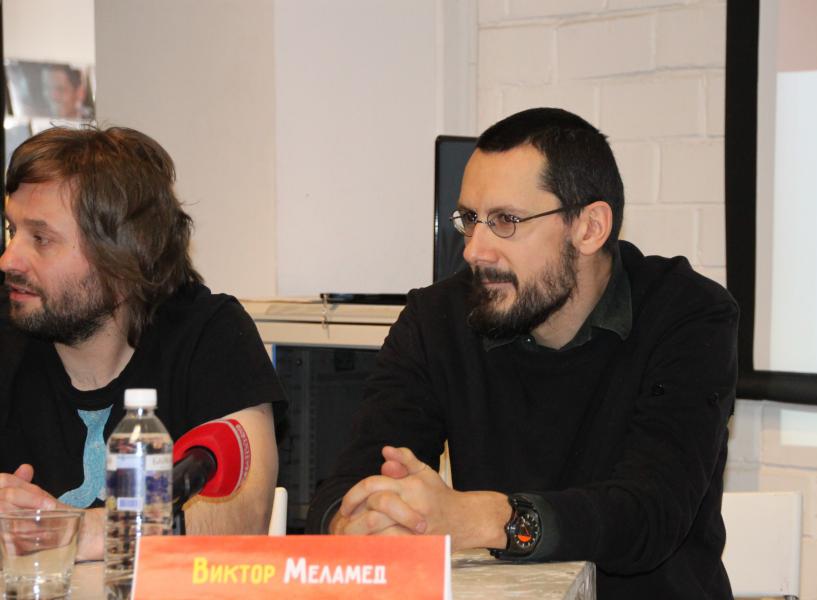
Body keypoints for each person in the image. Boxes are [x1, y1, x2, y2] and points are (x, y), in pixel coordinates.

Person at [307, 108, 738, 599]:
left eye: (506, 221)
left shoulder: (687, 314)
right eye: (470, 220)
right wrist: (354, 522)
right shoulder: (437, 318)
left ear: (590, 228)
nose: (474, 250)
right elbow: (348, 483)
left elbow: (648, 516)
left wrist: (481, 519)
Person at [0, 126, 285, 560]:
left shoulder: (208, 332)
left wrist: (75, 531)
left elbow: (243, 519)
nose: (8, 259)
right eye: (11, 229)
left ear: (121, 258)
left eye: (41, 238)